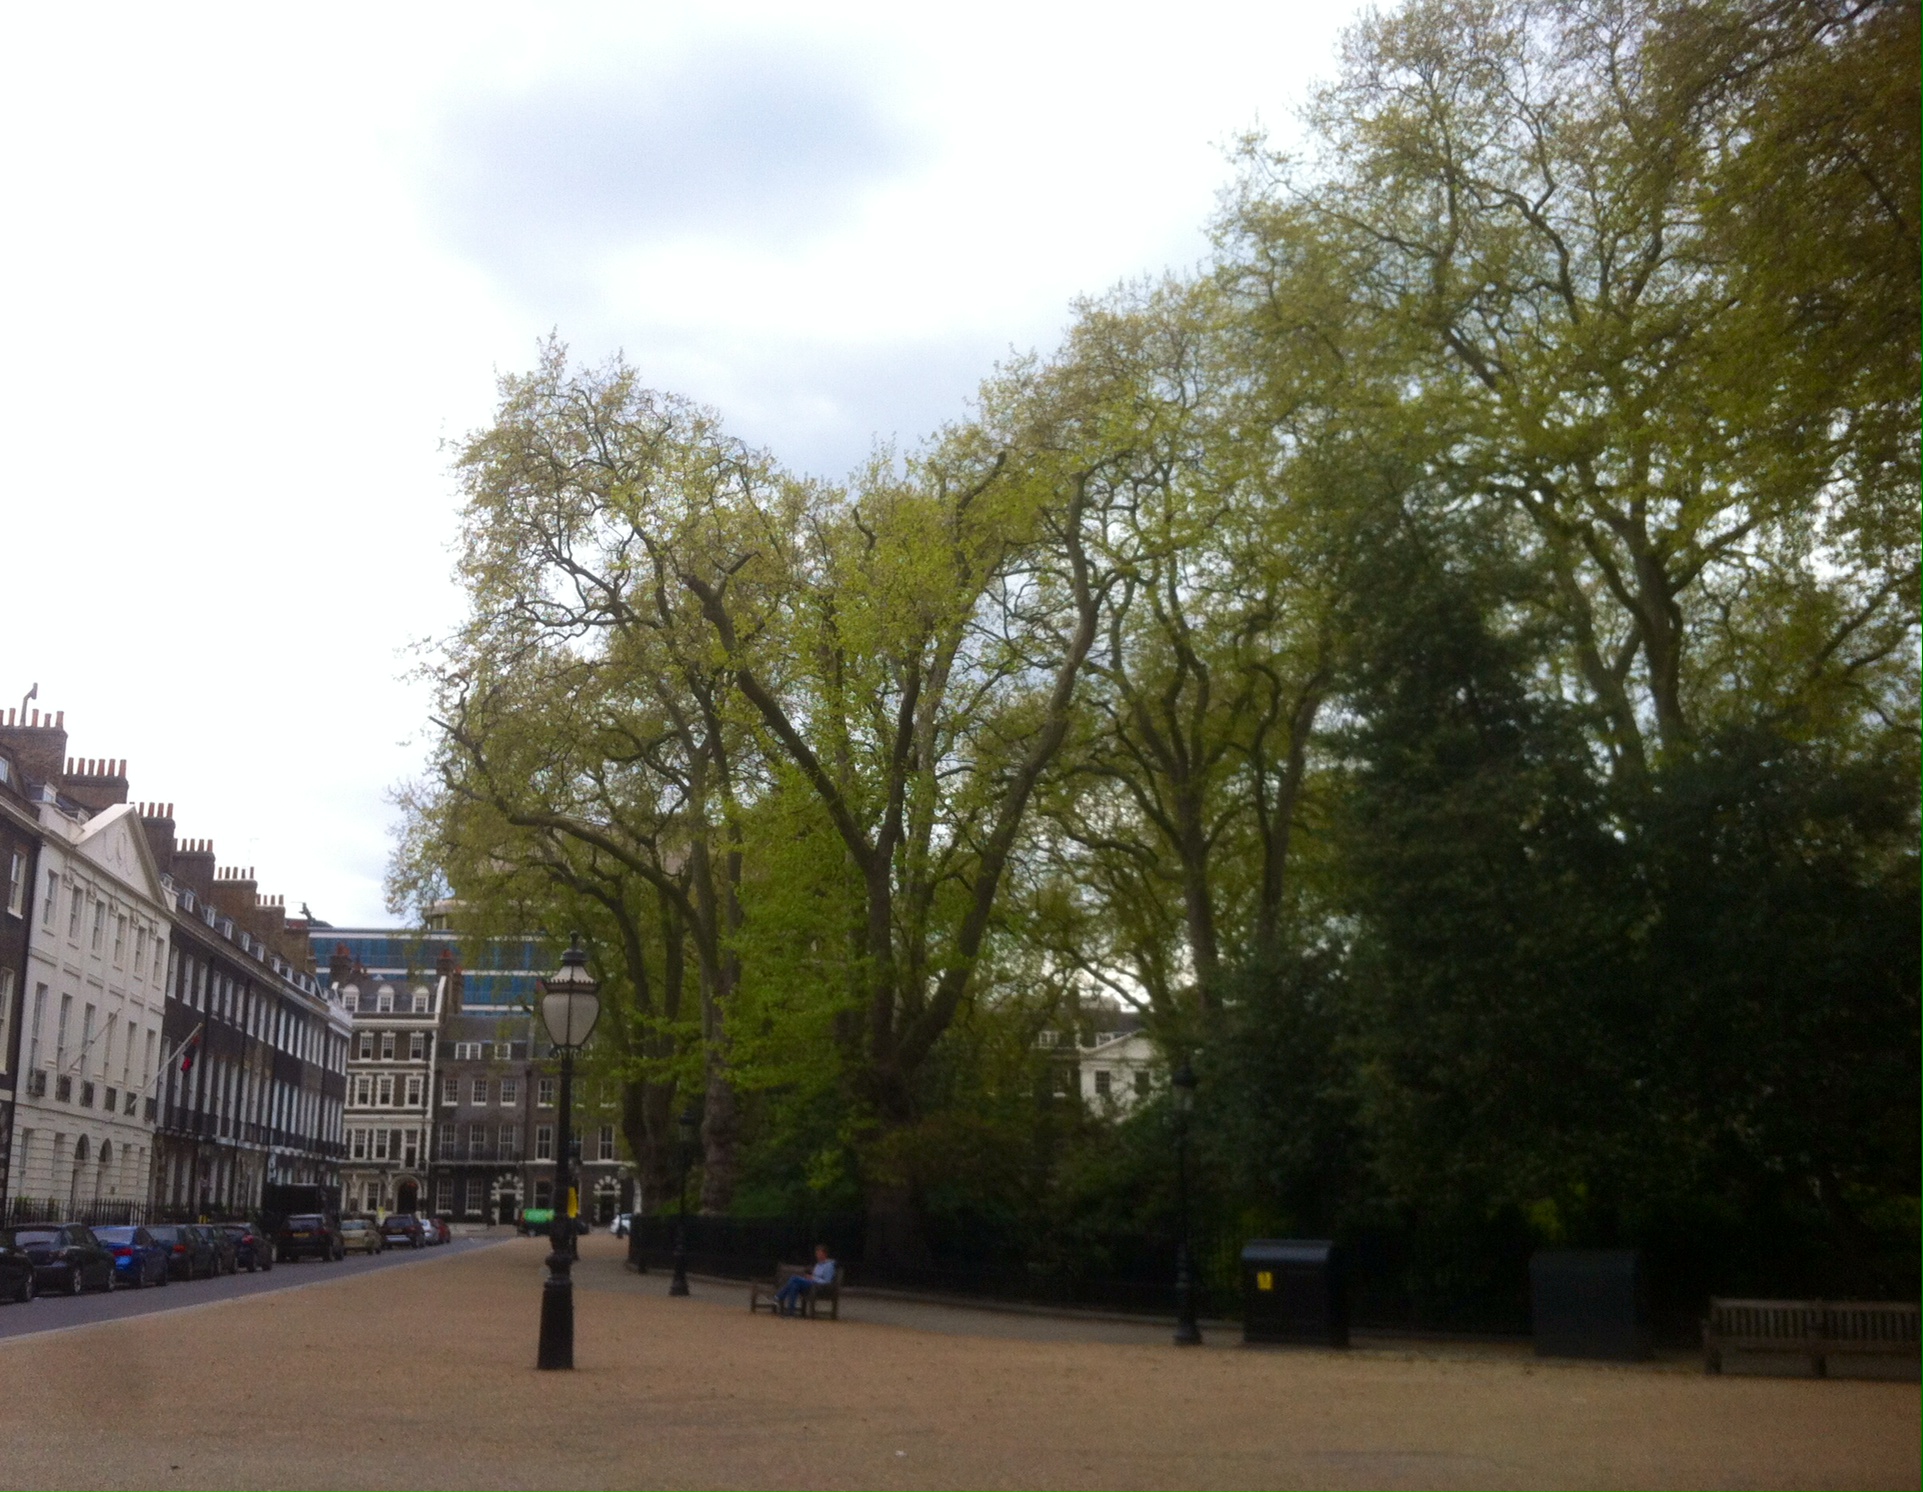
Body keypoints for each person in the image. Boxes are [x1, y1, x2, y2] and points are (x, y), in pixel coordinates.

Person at [775, 1244, 836, 1317]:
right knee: (794, 1285)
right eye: (817, 1254)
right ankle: (790, 1312)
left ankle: (779, 1297)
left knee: (794, 1278)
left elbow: (827, 1281)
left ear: (825, 1254)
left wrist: (813, 1278)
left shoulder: (828, 1265)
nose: (818, 1256)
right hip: (812, 1284)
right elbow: (815, 1276)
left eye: (820, 1254)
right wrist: (810, 1277)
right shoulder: (818, 1264)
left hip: (819, 1287)